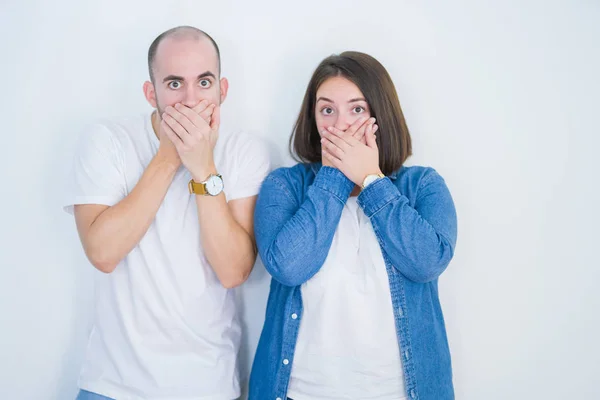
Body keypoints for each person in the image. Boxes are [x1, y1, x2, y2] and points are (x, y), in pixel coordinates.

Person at [65, 26, 270, 400]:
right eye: (175, 84)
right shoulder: (108, 140)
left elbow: (233, 271)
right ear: (151, 92)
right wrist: (168, 155)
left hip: (208, 386)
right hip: (112, 386)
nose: (191, 99)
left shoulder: (244, 151)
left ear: (222, 90)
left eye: (204, 82)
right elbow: (102, 253)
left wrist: (204, 169)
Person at [249, 51, 458, 400]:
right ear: (313, 118)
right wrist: (333, 175)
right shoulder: (284, 186)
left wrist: (371, 180)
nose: (340, 125)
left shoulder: (423, 185)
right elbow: (289, 266)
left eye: (357, 109)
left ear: (380, 115)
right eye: (327, 110)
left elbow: (426, 263)